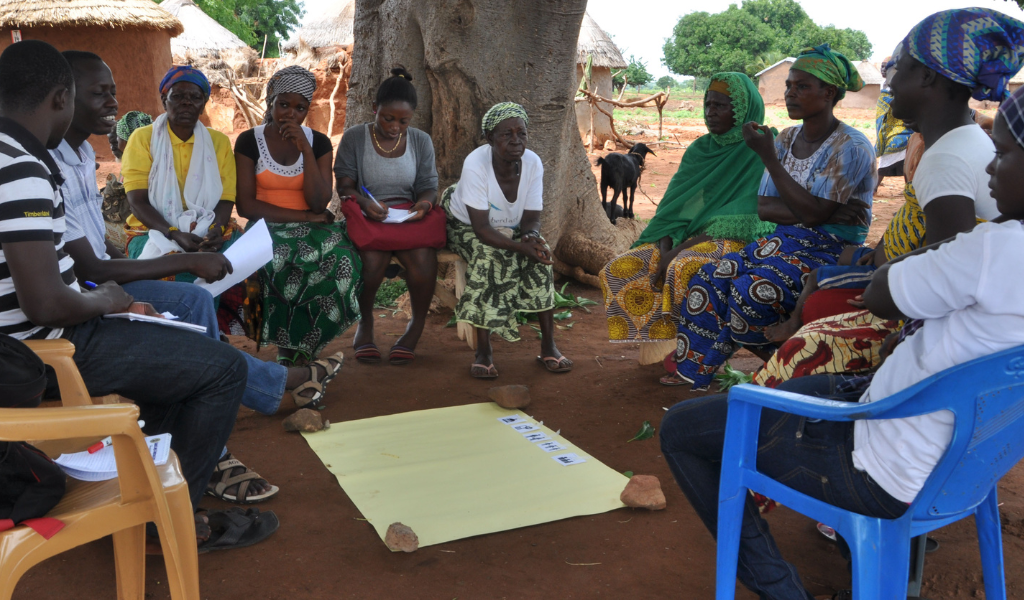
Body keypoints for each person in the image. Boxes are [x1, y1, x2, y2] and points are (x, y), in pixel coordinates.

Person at [661, 57, 1024, 600]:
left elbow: (879, 293)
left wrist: (904, 261)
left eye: (1004, 154)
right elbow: (774, 209)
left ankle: (783, 589)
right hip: (966, 458)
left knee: (684, 432)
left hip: (884, 463)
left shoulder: (995, 246)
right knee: (796, 384)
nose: (990, 169)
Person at [0, 40, 276, 551]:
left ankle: (146, 495)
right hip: (43, 347)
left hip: (36, 337)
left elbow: (68, 272)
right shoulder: (21, 169)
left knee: (176, 352)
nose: (110, 101)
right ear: (60, 98)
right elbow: (45, 303)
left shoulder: (18, 158)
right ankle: (164, 522)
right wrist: (107, 302)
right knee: (222, 370)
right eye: (98, 92)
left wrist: (119, 302)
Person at [53, 51, 346, 503]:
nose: (112, 101)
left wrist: (209, 234)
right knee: (195, 295)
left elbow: (226, 204)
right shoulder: (114, 148)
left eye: (195, 96)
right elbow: (134, 209)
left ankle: (247, 384)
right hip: (137, 254)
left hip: (171, 249)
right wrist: (176, 246)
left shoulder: (77, 156)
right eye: (101, 92)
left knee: (202, 297)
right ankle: (250, 402)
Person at [755, 15, 1024, 388]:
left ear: (928, 77)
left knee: (810, 339)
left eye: (900, 69)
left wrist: (899, 315)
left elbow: (945, 275)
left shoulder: (947, 159)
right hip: (934, 300)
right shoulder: (954, 144)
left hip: (940, 331)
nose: (889, 82)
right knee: (819, 299)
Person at [664, 44, 875, 390]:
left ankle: (786, 371)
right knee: (709, 277)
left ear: (829, 93)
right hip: (783, 240)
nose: (790, 93)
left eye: (802, 87)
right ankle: (697, 373)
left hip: (832, 247)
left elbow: (813, 213)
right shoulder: (786, 138)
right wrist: (817, 210)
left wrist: (773, 164)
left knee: (752, 291)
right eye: (789, 85)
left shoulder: (850, 147)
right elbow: (766, 207)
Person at [600, 72, 775, 345]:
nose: (710, 113)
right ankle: (663, 346)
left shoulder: (760, 147)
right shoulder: (700, 149)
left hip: (740, 239)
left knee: (682, 267)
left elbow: (748, 215)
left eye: (720, 106)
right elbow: (676, 208)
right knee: (622, 266)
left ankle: (696, 351)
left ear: (742, 110)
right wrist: (665, 246)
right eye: (708, 105)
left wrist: (675, 254)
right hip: (692, 236)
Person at [236, 66, 362, 366]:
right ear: (270, 102)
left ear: (307, 109)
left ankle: (307, 343)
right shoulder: (249, 141)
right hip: (267, 226)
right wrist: (304, 217)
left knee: (343, 257)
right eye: (283, 104)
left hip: (312, 222)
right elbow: (246, 207)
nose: (290, 114)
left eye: (300, 108)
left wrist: (305, 150)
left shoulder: (317, 143)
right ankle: (286, 347)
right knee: (279, 258)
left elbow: (320, 203)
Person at [442, 102, 570, 378]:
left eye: (521, 134)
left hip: (509, 226)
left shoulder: (533, 163)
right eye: (506, 134)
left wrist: (531, 239)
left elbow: (532, 216)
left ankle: (548, 346)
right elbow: (481, 230)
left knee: (541, 255)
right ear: (490, 138)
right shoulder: (476, 164)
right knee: (490, 256)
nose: (516, 141)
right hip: (465, 223)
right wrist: (520, 247)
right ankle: (484, 352)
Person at [121, 66, 247, 334]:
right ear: (163, 100)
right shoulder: (143, 139)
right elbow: (138, 201)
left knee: (241, 263)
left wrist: (215, 229)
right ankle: (184, 339)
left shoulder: (218, 142)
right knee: (182, 272)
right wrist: (174, 232)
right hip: (151, 230)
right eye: (178, 96)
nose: (187, 102)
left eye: (195, 97)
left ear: (204, 104)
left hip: (207, 229)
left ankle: (211, 333)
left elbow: (226, 199)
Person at [335, 67, 443, 365]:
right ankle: (366, 322)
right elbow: (344, 186)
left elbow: (428, 187)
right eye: (388, 118)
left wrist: (422, 206)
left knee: (423, 260)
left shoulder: (421, 141)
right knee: (371, 261)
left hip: (408, 218)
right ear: (374, 109)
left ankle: (414, 328)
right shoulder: (355, 138)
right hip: (368, 216)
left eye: (403, 121)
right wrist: (364, 202)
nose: (395, 126)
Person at [873, 55, 913, 190]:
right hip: (888, 130)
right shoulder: (884, 86)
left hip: (903, 129)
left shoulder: (900, 85)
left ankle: (875, 188)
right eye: (882, 66)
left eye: (886, 67)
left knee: (907, 161)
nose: (883, 69)